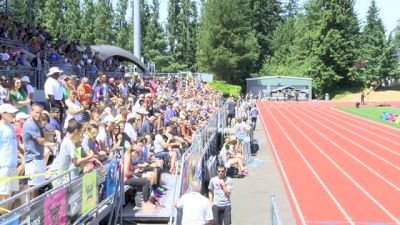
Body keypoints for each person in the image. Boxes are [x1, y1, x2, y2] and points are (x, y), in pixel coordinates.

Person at [22, 104, 46, 197]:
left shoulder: (35, 123)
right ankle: (32, 210)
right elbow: (41, 140)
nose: (38, 115)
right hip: (33, 160)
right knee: (33, 188)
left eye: (40, 113)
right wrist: (46, 138)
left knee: (37, 187)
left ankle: (34, 209)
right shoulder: (30, 124)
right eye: (36, 112)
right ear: (30, 111)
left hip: (37, 159)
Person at [0, 104, 19, 211]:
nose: (13, 114)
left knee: (10, 193)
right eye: (10, 113)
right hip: (4, 165)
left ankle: (5, 216)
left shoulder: (11, 127)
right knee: (3, 194)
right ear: (3, 114)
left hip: (13, 164)